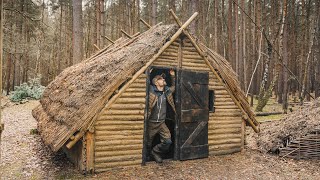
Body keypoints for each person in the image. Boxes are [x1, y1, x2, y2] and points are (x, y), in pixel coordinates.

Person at [147, 69, 176, 163]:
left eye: (163, 79)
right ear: (156, 82)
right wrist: (148, 73)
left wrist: (172, 76)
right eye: (161, 79)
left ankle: (155, 152)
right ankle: (147, 157)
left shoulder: (166, 91)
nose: (163, 80)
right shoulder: (151, 90)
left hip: (162, 123)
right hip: (151, 123)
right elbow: (144, 85)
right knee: (147, 143)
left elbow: (174, 87)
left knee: (168, 141)